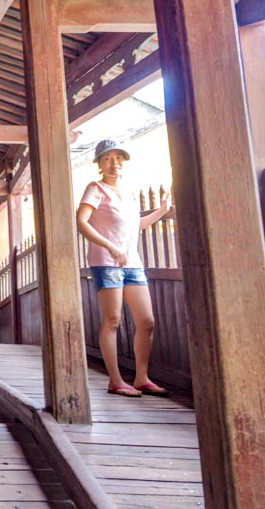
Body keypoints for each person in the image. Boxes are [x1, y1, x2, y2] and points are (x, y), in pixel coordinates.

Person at [77, 139, 172, 397]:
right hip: (106, 262)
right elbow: (81, 222)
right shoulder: (95, 189)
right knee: (113, 320)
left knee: (147, 320)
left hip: (132, 263)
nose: (113, 163)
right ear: (99, 164)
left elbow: (135, 225)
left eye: (118, 158)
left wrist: (161, 212)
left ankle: (142, 377)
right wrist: (110, 246)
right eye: (107, 159)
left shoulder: (127, 192)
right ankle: (116, 380)